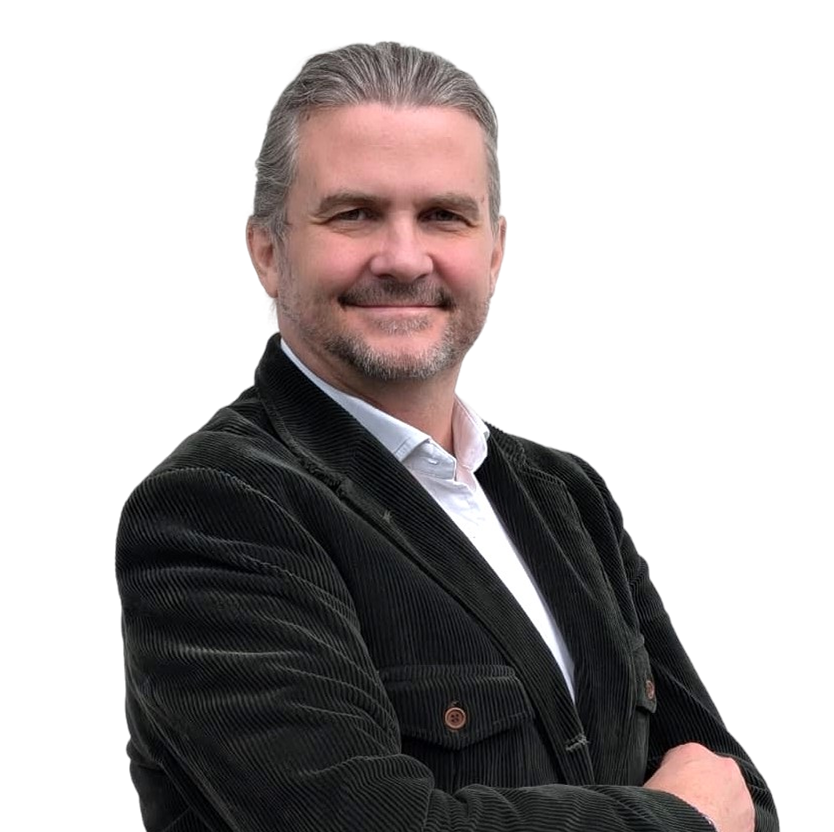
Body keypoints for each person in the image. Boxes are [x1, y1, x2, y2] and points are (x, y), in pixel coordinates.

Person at [115, 40, 778, 831]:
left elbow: (743, 793)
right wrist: (676, 820)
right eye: (355, 213)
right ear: (266, 248)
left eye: (443, 215)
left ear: (495, 248)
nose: (403, 257)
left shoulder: (565, 493)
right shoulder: (213, 509)